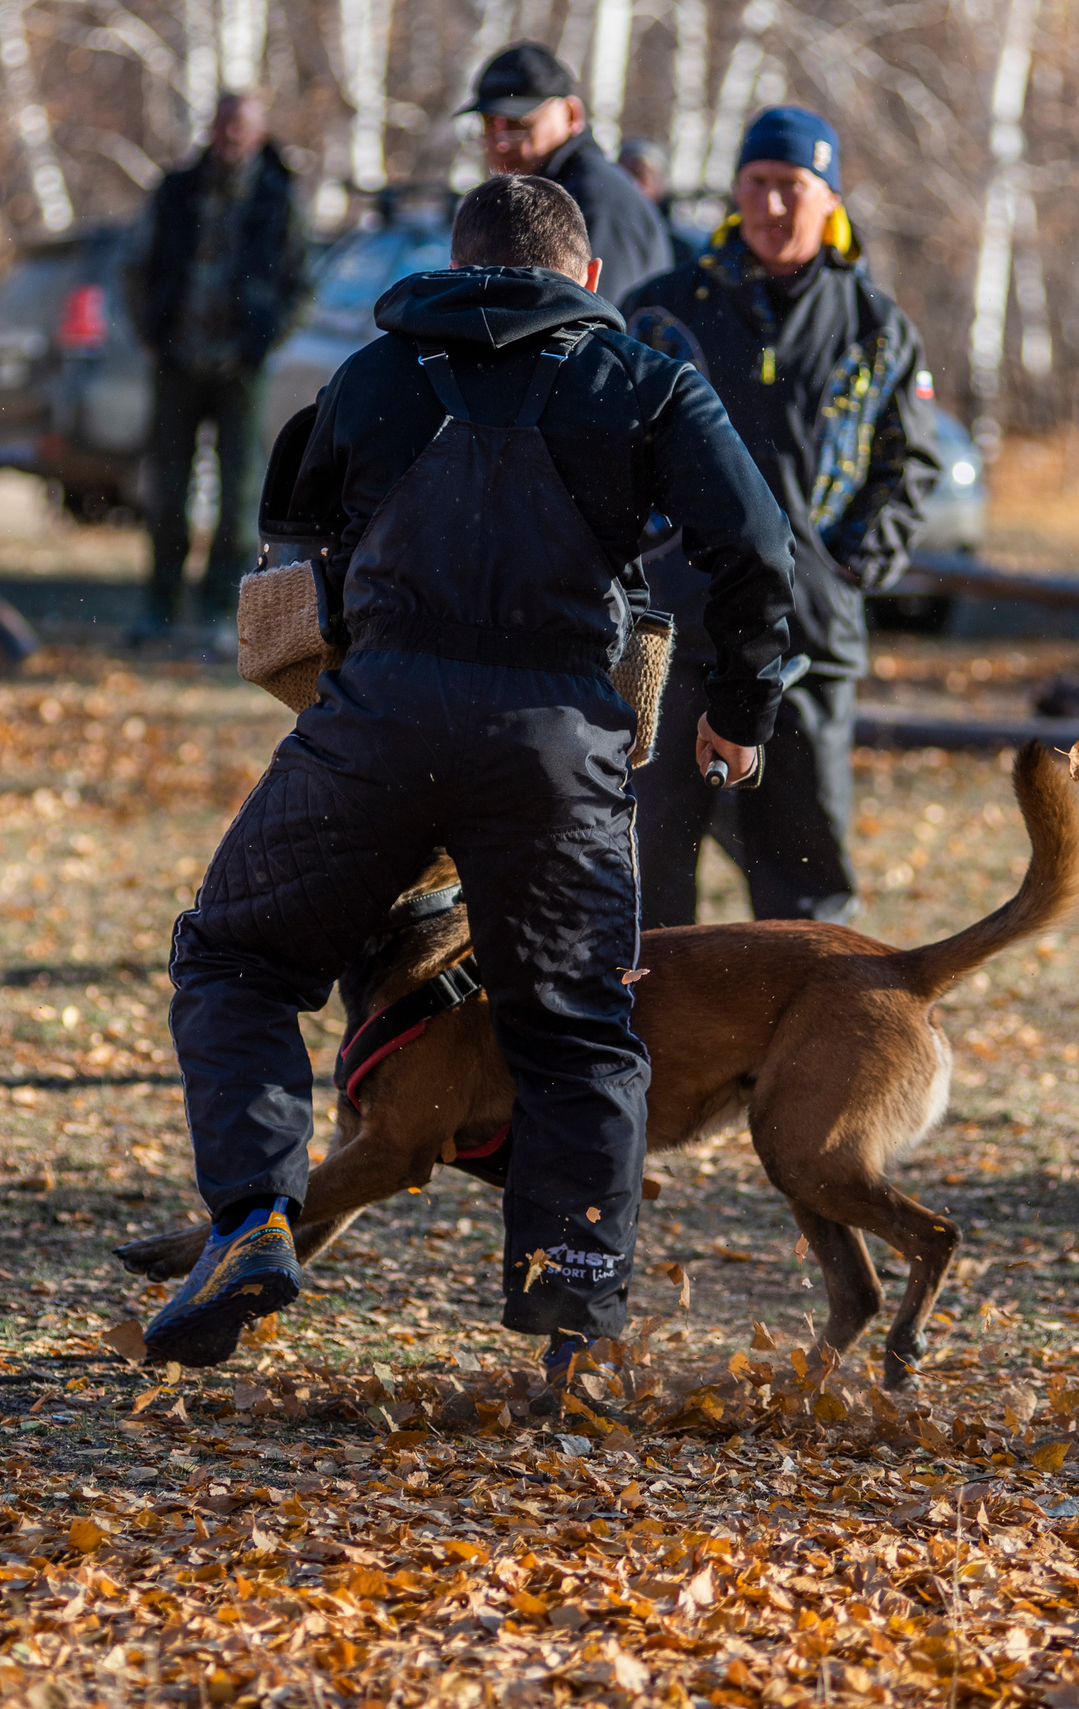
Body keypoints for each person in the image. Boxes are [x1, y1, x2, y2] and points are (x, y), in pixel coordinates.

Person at [145, 175, 793, 1377]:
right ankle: (569, 1331)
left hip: (376, 727)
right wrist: (742, 705)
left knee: (236, 956)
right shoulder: (645, 381)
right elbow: (754, 545)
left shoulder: (371, 375)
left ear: (452, 265)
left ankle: (249, 1218)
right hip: (556, 745)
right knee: (579, 1035)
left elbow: (289, 537)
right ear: (587, 278)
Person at [625, 106, 937, 927]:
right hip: (671, 637)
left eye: (791, 187)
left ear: (830, 198)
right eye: (757, 184)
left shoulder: (876, 328)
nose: (771, 206)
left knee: (807, 883)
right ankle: (644, 1049)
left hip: (810, 645)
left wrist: (845, 569)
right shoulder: (663, 311)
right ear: (735, 190)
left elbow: (911, 466)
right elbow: (606, 450)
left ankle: (806, 1048)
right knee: (645, 872)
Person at [126, 90, 310, 651]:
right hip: (177, 360)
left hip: (240, 367)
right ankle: (159, 605)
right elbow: (137, 268)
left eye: (242, 126)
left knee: (238, 499)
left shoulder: (277, 198)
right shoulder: (177, 189)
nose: (231, 134)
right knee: (166, 491)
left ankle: (215, 614)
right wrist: (151, 336)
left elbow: (298, 286)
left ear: (257, 133)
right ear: (212, 127)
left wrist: (263, 342)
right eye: (224, 123)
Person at [463, 43, 670, 305]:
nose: (500, 141)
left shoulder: (596, 202)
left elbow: (599, 327)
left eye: (518, 123)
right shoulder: (552, 195)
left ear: (572, 114)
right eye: (489, 123)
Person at [615, 136, 698, 269]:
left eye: (640, 176)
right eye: (623, 176)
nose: (630, 185)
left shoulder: (681, 251)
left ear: (660, 185)